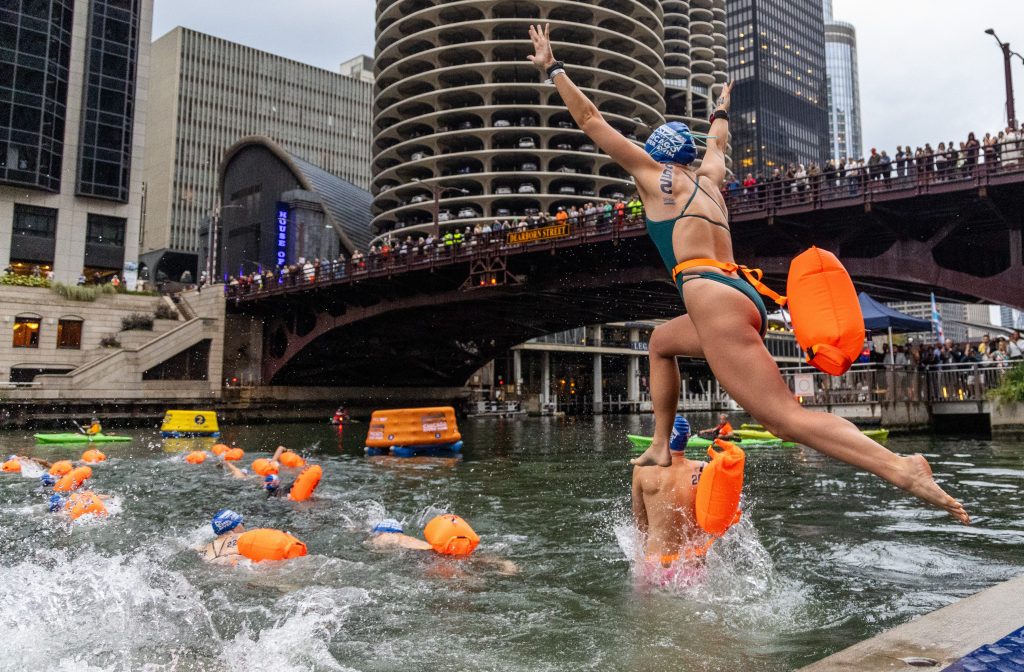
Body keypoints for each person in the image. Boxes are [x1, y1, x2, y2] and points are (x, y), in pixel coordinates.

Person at [527, 23, 968, 524]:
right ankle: (659, 443)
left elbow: (590, 118)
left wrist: (553, 67)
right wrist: (720, 108)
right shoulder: (710, 181)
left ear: (656, 154)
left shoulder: (653, 177)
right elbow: (717, 141)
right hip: (738, 294)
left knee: (784, 420)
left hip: (711, 299)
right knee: (662, 342)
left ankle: (900, 468)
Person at [631, 417, 708, 583]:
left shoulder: (642, 468)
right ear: (687, 438)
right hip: (691, 564)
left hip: (656, 564)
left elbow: (640, 522)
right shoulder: (703, 469)